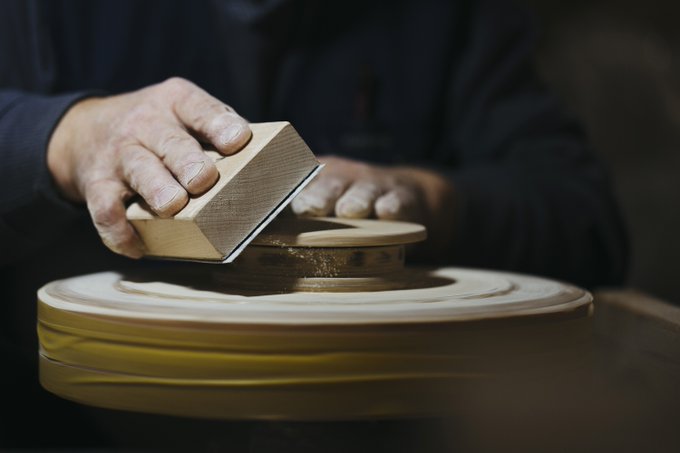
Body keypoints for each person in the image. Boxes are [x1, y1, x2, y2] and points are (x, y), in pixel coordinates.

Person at [0, 0, 627, 447]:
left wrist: (434, 197)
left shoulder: (452, 15)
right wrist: (67, 136)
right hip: (90, 415)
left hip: (391, 417)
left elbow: (586, 216)